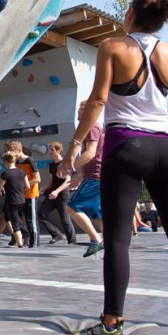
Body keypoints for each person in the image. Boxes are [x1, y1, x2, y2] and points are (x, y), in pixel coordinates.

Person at [58, 0, 168, 335]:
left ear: (129, 13)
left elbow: (98, 99)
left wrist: (73, 146)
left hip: (127, 147)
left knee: (116, 238)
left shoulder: (112, 47)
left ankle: (112, 321)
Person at [65, 101, 105, 258]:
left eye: (82, 109)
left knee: (72, 207)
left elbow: (91, 154)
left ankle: (96, 240)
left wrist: (69, 165)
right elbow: (98, 156)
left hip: (95, 177)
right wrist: (80, 175)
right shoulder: (95, 127)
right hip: (95, 175)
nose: (78, 112)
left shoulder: (91, 127)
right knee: (98, 213)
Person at [39, 142, 76, 244]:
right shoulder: (52, 165)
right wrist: (45, 188)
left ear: (59, 150)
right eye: (49, 149)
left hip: (62, 195)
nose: (50, 152)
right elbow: (53, 181)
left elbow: (67, 180)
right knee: (42, 213)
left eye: (52, 150)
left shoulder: (64, 163)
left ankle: (72, 242)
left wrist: (56, 191)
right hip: (52, 194)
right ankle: (56, 234)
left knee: (65, 219)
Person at [6, 141, 41, 247]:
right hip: (20, 196)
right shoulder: (15, 163)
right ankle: (24, 237)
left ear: (19, 150)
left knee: (31, 221)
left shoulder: (30, 161)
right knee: (14, 217)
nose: (12, 155)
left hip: (31, 195)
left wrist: (22, 186)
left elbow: (37, 179)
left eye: (13, 152)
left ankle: (34, 243)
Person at [0, 152, 28, 248]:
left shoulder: (6, 173)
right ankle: (20, 235)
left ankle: (20, 243)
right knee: (7, 217)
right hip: (21, 200)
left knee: (15, 222)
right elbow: (27, 186)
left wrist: (3, 189)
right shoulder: (22, 171)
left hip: (11, 201)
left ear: (5, 161)